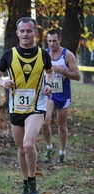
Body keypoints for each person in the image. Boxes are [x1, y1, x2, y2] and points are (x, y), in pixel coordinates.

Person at [0, 17, 54, 194]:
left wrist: (49, 85)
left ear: (35, 33)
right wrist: (2, 82)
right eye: (22, 31)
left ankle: (33, 180)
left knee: (28, 144)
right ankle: (25, 181)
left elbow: (50, 73)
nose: (25, 34)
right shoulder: (9, 54)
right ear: (17, 33)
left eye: (29, 31)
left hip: (36, 106)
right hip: (16, 107)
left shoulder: (43, 54)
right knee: (20, 148)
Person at [41, 29, 81, 165]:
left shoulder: (67, 55)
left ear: (60, 40)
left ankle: (62, 152)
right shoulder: (44, 54)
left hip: (63, 94)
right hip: (49, 93)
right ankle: (49, 147)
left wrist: (61, 71)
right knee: (44, 121)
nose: (52, 44)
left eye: (54, 41)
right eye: (49, 41)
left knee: (61, 126)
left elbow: (77, 75)